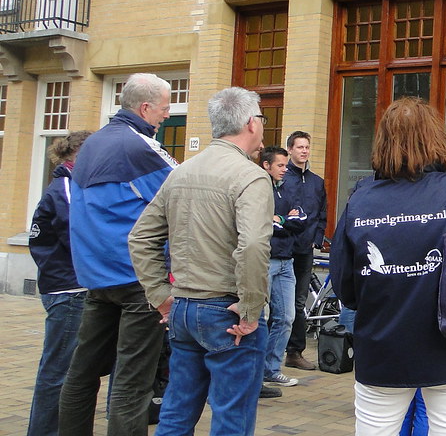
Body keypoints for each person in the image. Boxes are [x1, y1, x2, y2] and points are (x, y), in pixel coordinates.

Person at [331, 97, 446, 435]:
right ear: (436, 138)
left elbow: (345, 289)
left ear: (383, 141)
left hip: (381, 352)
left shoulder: (360, 199)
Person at [129, 87, 274, 435]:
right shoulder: (251, 175)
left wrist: (161, 294)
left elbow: (140, 237)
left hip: (184, 307)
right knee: (231, 416)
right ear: (252, 123)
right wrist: (252, 309)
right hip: (227, 312)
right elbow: (253, 244)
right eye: (262, 120)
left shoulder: (181, 172)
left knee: (178, 410)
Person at [60, 73, 176, 436]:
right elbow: (183, 193)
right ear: (144, 108)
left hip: (96, 278)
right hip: (138, 280)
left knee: (81, 374)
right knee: (132, 382)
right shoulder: (139, 147)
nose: (166, 116)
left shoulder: (92, 144)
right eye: (163, 109)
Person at [27, 130, 91, 436]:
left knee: (64, 368)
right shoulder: (65, 188)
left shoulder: (68, 185)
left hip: (68, 287)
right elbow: (78, 235)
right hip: (69, 290)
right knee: (58, 371)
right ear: (78, 157)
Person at [261, 146, 305, 391]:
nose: (285, 169)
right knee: (259, 318)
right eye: (280, 165)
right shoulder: (258, 188)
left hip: (287, 261)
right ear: (266, 165)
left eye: (286, 166)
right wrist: (280, 222)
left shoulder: (289, 189)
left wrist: (282, 221)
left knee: (286, 317)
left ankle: (272, 369)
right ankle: (255, 374)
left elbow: (301, 221)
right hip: (265, 261)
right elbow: (263, 224)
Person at [283, 130, 328, 372]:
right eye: (299, 147)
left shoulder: (317, 182)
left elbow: (322, 214)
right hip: (282, 249)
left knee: (299, 302)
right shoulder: (281, 179)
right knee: (282, 304)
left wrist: (317, 239)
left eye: (307, 147)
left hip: (305, 251)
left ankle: (294, 352)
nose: (304, 151)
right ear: (290, 149)